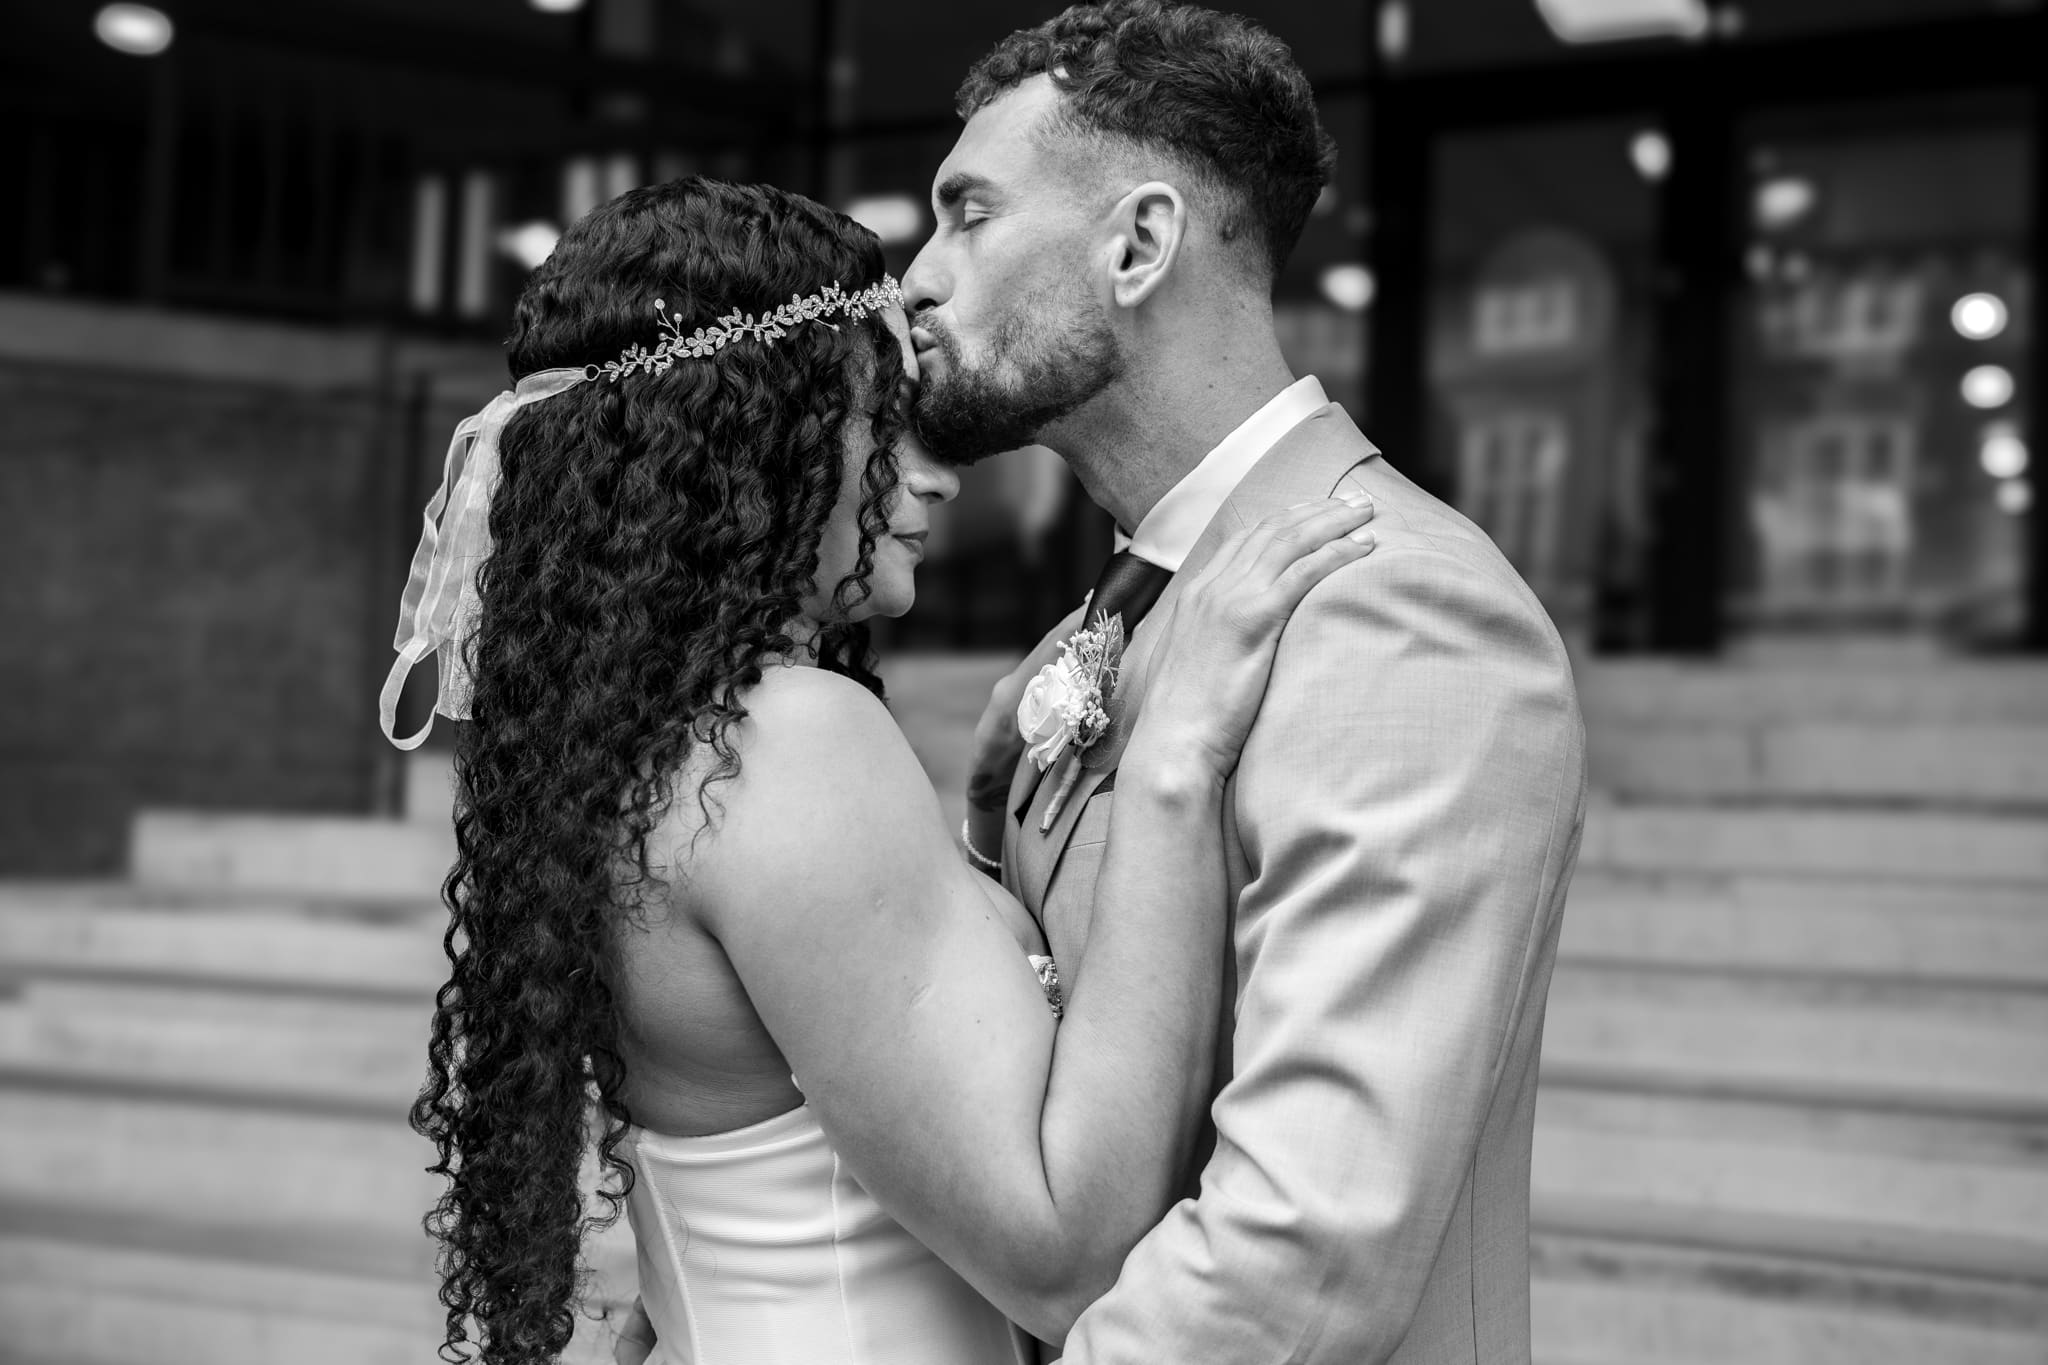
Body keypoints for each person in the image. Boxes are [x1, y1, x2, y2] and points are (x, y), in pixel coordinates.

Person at [379, 175, 1379, 1365]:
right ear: (752, 449)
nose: (938, 471)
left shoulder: (649, 742)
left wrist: (977, 844)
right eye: (879, 418)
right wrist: (1175, 763)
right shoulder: (788, 739)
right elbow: (1064, 1258)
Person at [906, 3, 1589, 1361]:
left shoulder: (1395, 608)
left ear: (1141, 244)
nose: (915, 278)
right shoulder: (1125, 608)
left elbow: (1305, 1251)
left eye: (967, 214)